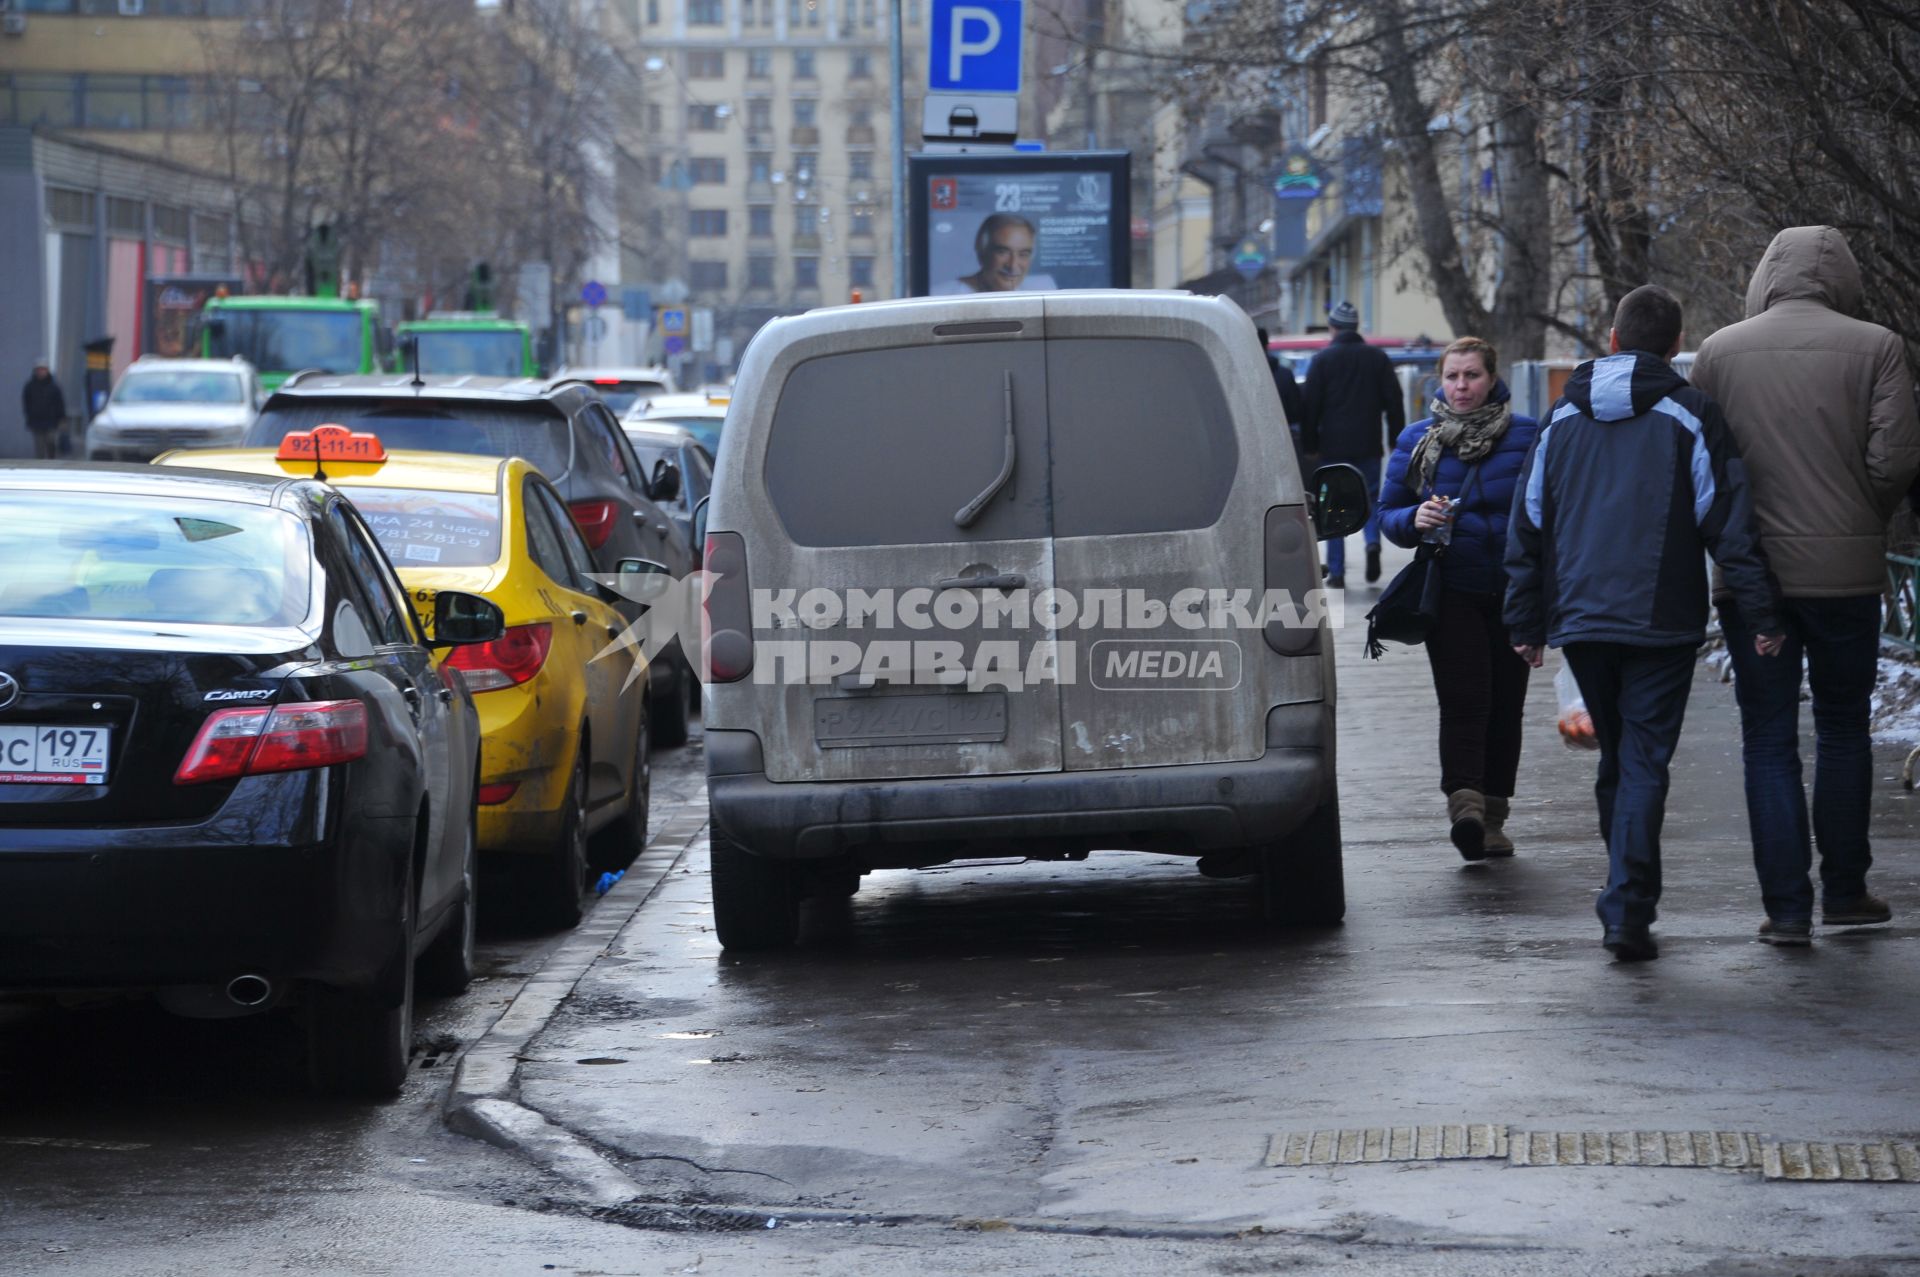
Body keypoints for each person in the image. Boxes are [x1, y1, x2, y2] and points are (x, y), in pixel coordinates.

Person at [1505, 284, 1783, 963]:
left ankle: (1625, 896)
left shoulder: (1560, 419)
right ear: (1673, 345)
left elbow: (1529, 523)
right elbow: (1729, 522)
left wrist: (1526, 620)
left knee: (1618, 760)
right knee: (1642, 762)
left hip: (1584, 619)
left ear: (1612, 340)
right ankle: (1628, 907)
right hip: (1662, 621)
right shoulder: (1692, 414)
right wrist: (1762, 612)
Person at [1689, 226, 1920, 945]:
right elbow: (1896, 461)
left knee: (1767, 736)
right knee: (1845, 727)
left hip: (1750, 579)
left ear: (1765, 276)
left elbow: (1697, 463)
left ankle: (1786, 907)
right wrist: (1860, 519)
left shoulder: (1719, 353)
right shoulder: (1878, 346)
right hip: (1845, 578)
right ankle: (1846, 890)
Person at [1377, 337, 1540, 860]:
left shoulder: (1527, 436)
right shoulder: (1417, 440)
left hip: (1514, 591)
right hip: (1451, 590)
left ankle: (1494, 819)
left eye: (1472, 376)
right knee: (1466, 700)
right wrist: (1414, 518)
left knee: (1507, 706)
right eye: (1452, 377)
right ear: (1439, 382)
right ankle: (1465, 807)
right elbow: (1387, 516)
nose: (1462, 386)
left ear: (1492, 378)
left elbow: (1547, 508)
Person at [1302, 300, 1405, 587]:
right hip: (1368, 444)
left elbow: (1311, 407)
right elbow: (1394, 402)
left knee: (1332, 507)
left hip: (1333, 447)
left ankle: (1337, 572)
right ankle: (1373, 543)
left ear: (1333, 328)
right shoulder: (1377, 358)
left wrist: (1310, 445)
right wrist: (1395, 440)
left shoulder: (1322, 360)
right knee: (1370, 498)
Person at [932, 214, 1059, 295]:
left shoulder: (1044, 290)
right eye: (1002, 252)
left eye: (1023, 254)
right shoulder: (941, 296)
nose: (1013, 265)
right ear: (981, 250)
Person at [1256, 326, 1306, 461]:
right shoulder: (1284, 375)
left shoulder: (1239, 375)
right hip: (1282, 441)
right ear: (1267, 345)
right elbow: (1296, 412)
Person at [21, 358, 65, 461]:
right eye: (39, 369)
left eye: (43, 369)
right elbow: (26, 403)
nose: (41, 372)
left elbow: (60, 403)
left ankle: (51, 462)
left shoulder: (54, 387)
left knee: (51, 442)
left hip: (51, 421)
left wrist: (62, 418)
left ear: (47, 370)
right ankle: (39, 466)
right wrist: (29, 416)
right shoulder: (30, 386)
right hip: (36, 422)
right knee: (39, 447)